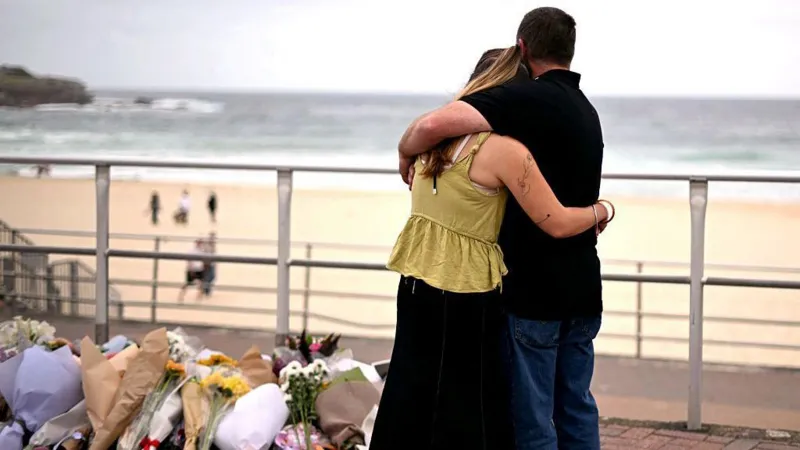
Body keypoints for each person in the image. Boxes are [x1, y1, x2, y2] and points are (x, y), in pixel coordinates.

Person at [369, 46, 613, 450]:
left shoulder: (430, 143)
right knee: (471, 403)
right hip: (467, 291)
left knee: (411, 389)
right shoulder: (502, 150)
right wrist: (602, 209)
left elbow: (423, 138)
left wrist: (402, 149)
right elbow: (554, 221)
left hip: (415, 282)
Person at [202, 232, 217, 296]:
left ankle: (206, 289)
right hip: (207, 263)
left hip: (212, 263)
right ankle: (206, 290)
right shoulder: (207, 245)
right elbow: (205, 254)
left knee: (212, 276)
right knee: (208, 277)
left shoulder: (213, 244)